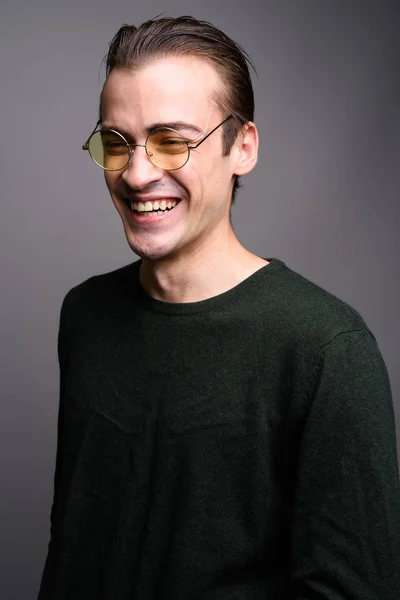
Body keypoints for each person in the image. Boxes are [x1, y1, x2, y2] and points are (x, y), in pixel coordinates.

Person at [38, 16, 400, 600]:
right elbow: (75, 545)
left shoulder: (327, 349)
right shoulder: (84, 315)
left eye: (172, 141)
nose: (136, 173)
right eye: (116, 142)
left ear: (244, 147)